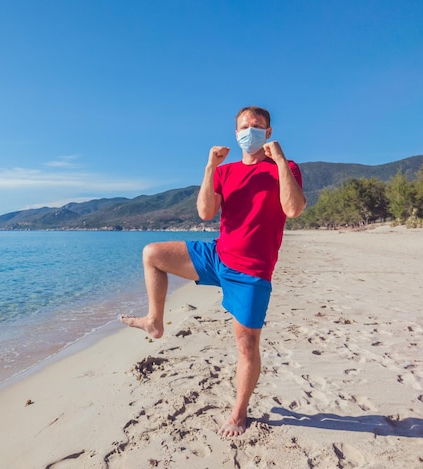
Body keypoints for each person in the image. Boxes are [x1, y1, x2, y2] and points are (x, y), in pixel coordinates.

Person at [120, 105, 306, 437]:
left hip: (252, 271)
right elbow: (205, 212)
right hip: (218, 255)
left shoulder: (285, 168)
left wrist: (279, 161)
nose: (250, 130)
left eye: (257, 125)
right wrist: (210, 167)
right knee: (152, 254)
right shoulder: (225, 171)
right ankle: (154, 321)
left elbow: (293, 209)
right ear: (236, 135)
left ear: (268, 133)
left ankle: (238, 411)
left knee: (246, 345)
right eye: (244, 126)